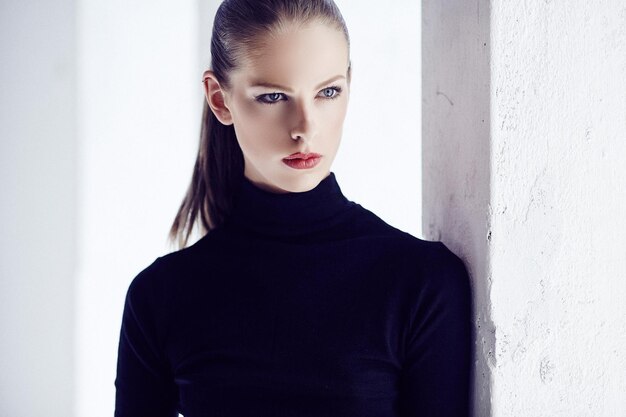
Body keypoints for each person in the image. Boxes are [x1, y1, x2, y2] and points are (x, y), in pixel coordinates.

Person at [114, 0, 472, 416]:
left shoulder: (421, 284)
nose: (305, 127)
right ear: (219, 99)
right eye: (272, 96)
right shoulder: (159, 298)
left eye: (328, 92)